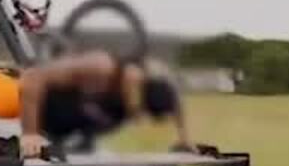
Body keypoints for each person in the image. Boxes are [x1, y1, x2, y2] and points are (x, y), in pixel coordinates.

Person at [12, 49, 191, 159]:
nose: (136, 116)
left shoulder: (147, 84)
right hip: (23, 100)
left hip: (65, 120)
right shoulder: (100, 67)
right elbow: (32, 78)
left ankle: (80, 142)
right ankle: (59, 136)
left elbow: (175, 100)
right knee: (104, 111)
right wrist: (30, 134)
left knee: (111, 114)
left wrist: (184, 139)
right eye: (139, 109)